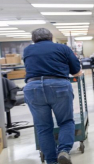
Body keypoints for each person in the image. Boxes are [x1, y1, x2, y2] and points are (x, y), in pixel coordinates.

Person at [23, 28, 82, 164]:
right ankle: (64, 151)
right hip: (58, 86)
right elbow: (76, 71)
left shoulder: (27, 50)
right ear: (51, 37)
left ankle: (51, 161)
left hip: (33, 88)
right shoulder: (62, 48)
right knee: (66, 121)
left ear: (33, 39)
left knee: (43, 127)